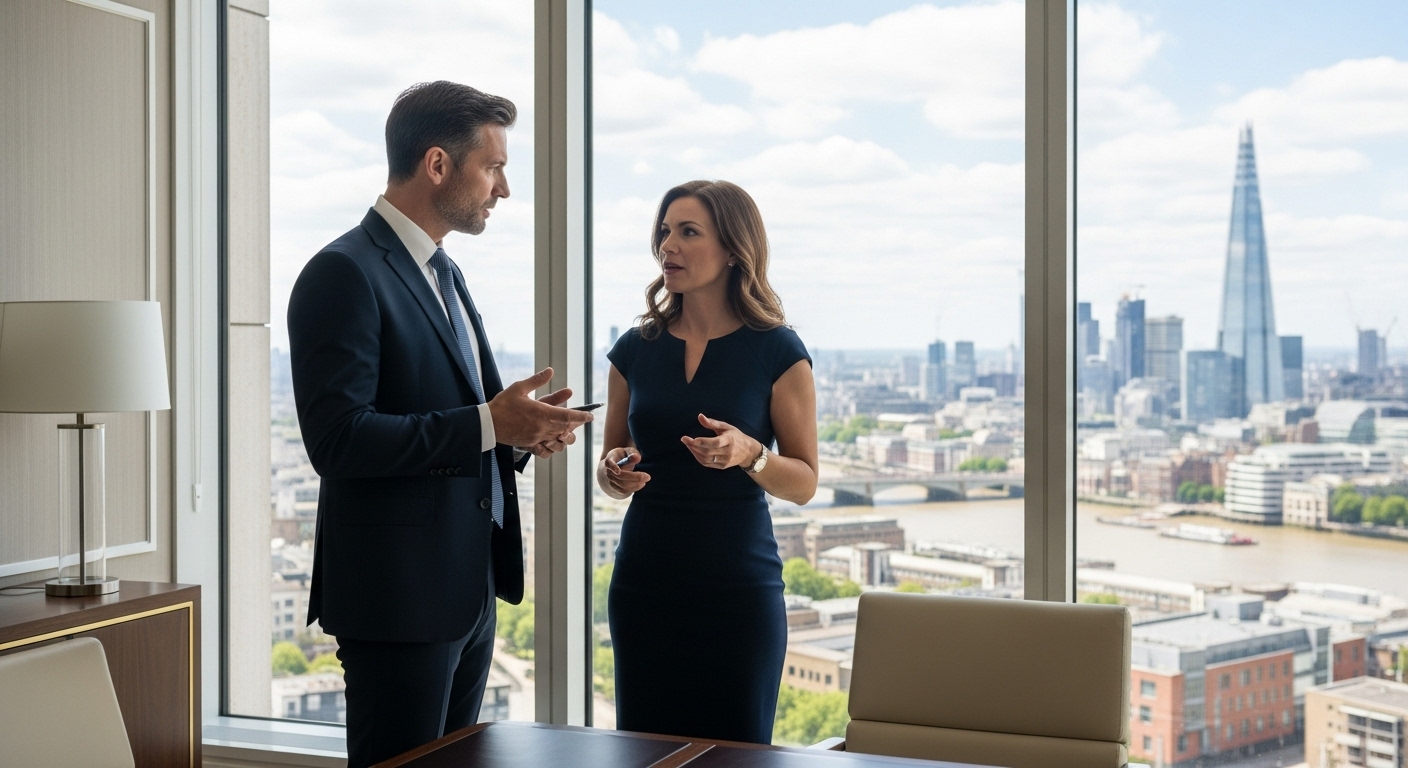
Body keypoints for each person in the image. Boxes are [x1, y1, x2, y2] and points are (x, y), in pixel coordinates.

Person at [287, 81, 592, 768]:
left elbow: (462, 420)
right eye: (494, 167)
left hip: (465, 592)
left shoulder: (444, 272)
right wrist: (490, 424)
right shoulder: (343, 273)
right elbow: (338, 440)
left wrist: (519, 435)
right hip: (397, 602)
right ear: (437, 164)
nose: (503, 189)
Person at [597, 180, 819, 744]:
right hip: (645, 583)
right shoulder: (634, 350)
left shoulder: (779, 351)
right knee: (644, 752)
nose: (668, 245)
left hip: (737, 591)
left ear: (732, 249)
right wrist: (614, 472)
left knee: (737, 754)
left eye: (688, 232)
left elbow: (805, 483)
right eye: (665, 232)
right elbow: (612, 465)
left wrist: (751, 455)